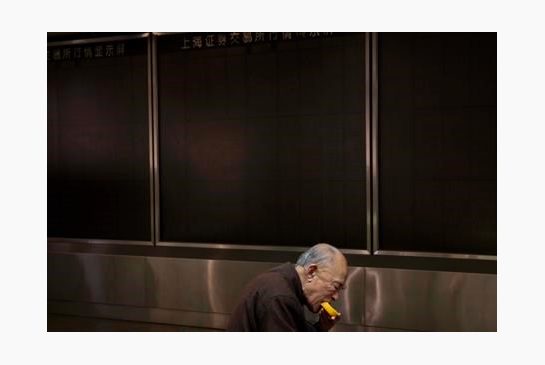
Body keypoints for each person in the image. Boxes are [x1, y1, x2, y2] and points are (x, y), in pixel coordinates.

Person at [226, 243, 348, 331]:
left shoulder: (286, 284)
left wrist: (321, 327)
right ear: (311, 272)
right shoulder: (280, 296)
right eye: (335, 286)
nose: (336, 297)